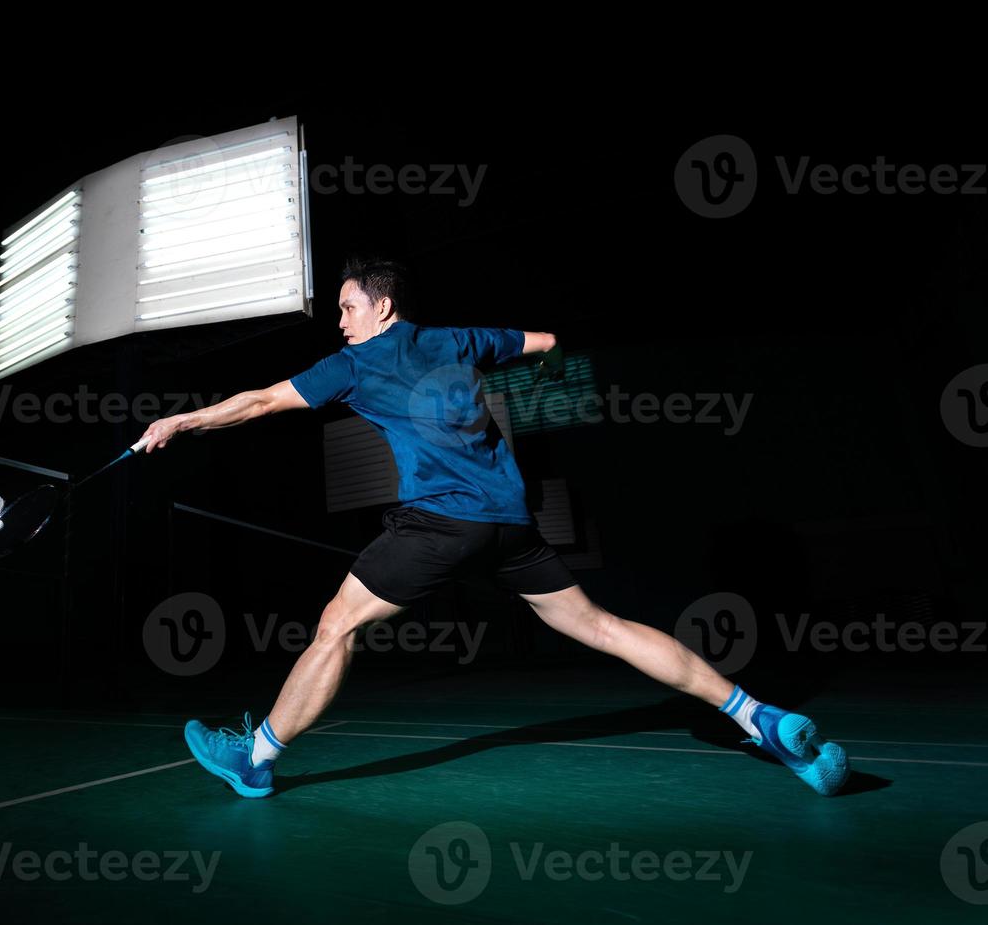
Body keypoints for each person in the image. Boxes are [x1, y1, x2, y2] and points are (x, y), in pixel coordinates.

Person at [137, 258, 850, 799]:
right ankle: (757, 715)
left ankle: (256, 760)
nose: (341, 320)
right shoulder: (461, 339)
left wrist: (181, 420)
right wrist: (543, 375)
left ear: (382, 308)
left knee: (336, 626)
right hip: (511, 523)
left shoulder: (353, 364)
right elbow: (547, 341)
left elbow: (261, 402)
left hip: (442, 520)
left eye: (349, 307)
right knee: (602, 626)